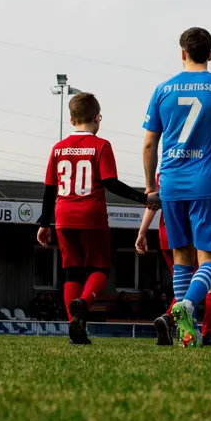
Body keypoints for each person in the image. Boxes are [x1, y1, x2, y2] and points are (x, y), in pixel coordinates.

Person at [142, 27, 211, 347]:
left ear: (182, 53)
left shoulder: (162, 90)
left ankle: (185, 329)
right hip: (207, 184)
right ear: (210, 54)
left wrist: (149, 186)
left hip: (171, 183)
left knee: (182, 257)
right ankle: (185, 308)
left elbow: (149, 145)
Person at [36, 91, 148, 344]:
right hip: (92, 215)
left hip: (63, 216)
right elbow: (110, 182)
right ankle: (83, 304)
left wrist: (44, 224)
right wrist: (142, 198)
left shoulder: (57, 148)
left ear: (72, 120)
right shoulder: (101, 145)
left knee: (72, 273)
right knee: (100, 269)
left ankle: (75, 327)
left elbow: (49, 190)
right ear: (98, 118)